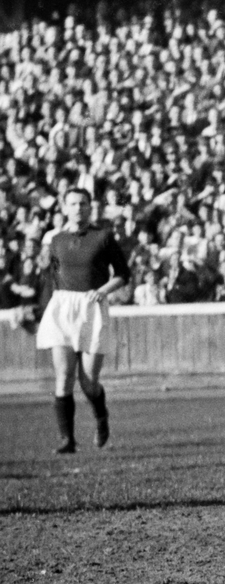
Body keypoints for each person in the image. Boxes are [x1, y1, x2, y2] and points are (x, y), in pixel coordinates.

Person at [36, 188, 131, 453]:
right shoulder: (55, 239)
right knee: (63, 376)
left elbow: (123, 273)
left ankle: (101, 419)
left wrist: (102, 291)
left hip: (91, 307)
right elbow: (49, 277)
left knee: (88, 380)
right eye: (73, 203)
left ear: (91, 207)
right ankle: (67, 440)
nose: (79, 208)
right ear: (65, 207)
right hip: (63, 308)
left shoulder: (102, 236)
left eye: (84, 203)